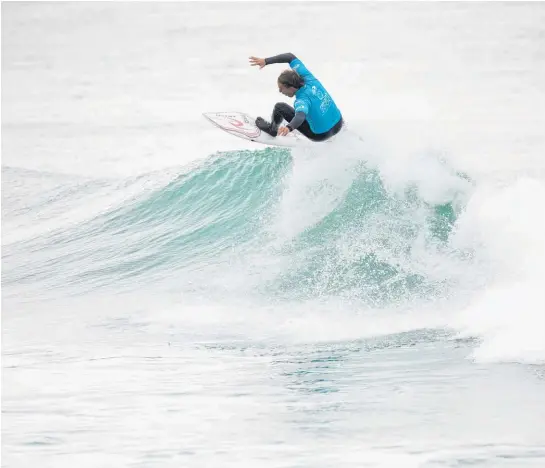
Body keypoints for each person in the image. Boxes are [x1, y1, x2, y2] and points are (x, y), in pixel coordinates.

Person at [249, 53, 343, 142]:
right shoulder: (308, 77)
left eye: (281, 88)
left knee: (279, 107)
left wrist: (289, 128)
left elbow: (300, 116)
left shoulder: (301, 100)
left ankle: (272, 129)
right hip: (339, 124)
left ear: (291, 87)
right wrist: (266, 61)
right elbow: (290, 56)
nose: (280, 91)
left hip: (322, 135)